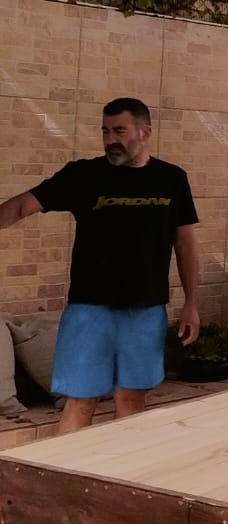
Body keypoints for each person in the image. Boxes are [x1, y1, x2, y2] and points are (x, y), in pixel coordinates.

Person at [0, 97, 200, 434]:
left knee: (131, 399)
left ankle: (124, 478)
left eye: (119, 131)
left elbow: (186, 244)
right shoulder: (83, 175)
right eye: (105, 131)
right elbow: (22, 207)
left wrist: (192, 303)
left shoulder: (172, 179)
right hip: (89, 310)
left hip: (146, 310)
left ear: (145, 131)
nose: (110, 140)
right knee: (80, 400)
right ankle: (66, 479)